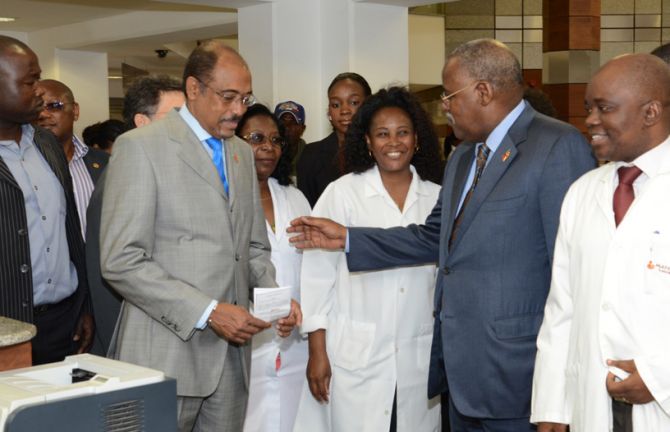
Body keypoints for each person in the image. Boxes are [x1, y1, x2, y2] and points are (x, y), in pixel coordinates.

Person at [288, 39, 597, 431]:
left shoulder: (556, 145)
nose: (445, 106)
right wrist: (348, 238)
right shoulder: (465, 157)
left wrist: (560, 391)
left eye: (450, 95)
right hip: (461, 377)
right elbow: (431, 238)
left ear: (482, 91)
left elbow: (575, 275)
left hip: (521, 377)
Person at [100, 40, 300, 431]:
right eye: (228, 97)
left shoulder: (240, 154)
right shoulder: (141, 148)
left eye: (245, 98)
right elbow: (121, 260)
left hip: (232, 362)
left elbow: (252, 248)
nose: (238, 110)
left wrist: (277, 298)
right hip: (165, 354)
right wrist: (208, 312)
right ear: (193, 88)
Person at [532, 53, 670, 432]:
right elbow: (562, 310)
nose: (591, 120)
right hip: (593, 404)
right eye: (588, 108)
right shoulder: (582, 192)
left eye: (604, 108)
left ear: (651, 112)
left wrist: (660, 377)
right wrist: (552, 409)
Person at [292, 86, 444, 432]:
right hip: (354, 355)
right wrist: (317, 351)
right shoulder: (342, 192)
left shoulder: (438, 198)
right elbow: (317, 278)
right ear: (369, 142)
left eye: (403, 132)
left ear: (417, 140)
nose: (394, 142)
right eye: (383, 134)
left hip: (417, 355)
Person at [0, 35, 92, 364]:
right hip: (7, 328)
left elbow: (70, 229)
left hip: (63, 322)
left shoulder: (47, 144)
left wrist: (84, 305)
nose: (40, 90)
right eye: (30, 81)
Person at [87, 77, 184, 356]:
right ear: (142, 122)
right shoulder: (123, 176)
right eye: (176, 117)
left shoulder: (166, 171)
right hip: (136, 337)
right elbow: (111, 272)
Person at [236, 104, 310, 432]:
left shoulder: (295, 198)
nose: (268, 147)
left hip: (295, 340)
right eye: (256, 138)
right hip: (245, 338)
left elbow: (312, 267)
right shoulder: (223, 199)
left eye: (276, 140)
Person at [35, 79, 109, 239]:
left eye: (54, 106)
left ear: (75, 111)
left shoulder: (106, 163)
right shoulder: (19, 165)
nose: (43, 114)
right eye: (36, 107)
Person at [297, 72, 372, 207]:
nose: (344, 111)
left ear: (368, 106)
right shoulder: (311, 155)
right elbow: (307, 210)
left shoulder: (381, 151)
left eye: (354, 102)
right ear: (329, 112)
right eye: (336, 104)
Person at [274, 100, 307, 180]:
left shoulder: (310, 158)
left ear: (302, 129)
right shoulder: (268, 155)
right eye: (282, 122)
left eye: (293, 123)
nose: (287, 127)